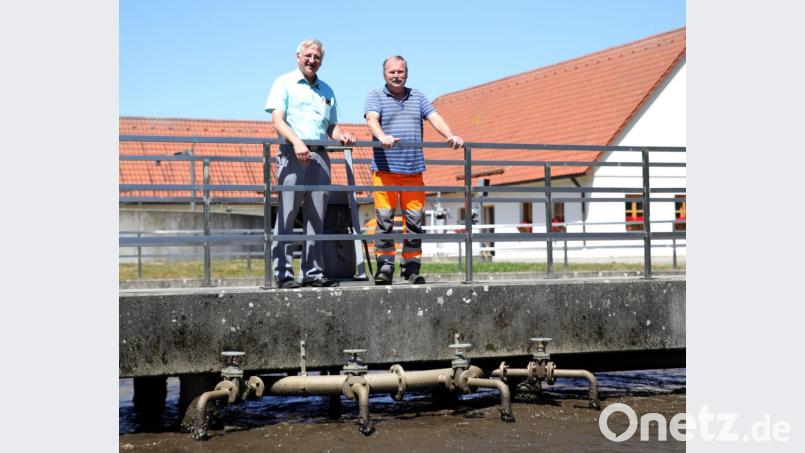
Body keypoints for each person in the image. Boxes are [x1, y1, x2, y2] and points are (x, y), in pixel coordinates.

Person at [265, 38, 356, 288]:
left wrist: (343, 136)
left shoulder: (327, 90)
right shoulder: (284, 82)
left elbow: (331, 127)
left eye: (317, 57)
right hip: (292, 153)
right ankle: (283, 274)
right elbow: (278, 120)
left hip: (320, 156)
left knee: (316, 219)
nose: (312, 60)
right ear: (298, 56)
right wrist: (297, 142)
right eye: (308, 55)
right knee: (286, 216)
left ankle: (313, 273)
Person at [364, 55, 464, 285]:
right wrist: (382, 137)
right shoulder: (376, 95)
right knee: (384, 222)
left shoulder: (417, 96)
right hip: (385, 172)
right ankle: (385, 268)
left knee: (414, 222)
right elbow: (371, 119)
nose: (396, 75)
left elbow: (434, 117)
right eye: (392, 72)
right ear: (384, 74)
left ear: (407, 73)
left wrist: (450, 135)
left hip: (413, 171)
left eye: (401, 71)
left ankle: (411, 268)